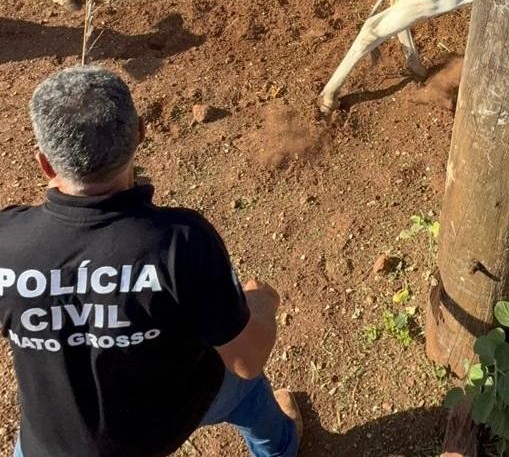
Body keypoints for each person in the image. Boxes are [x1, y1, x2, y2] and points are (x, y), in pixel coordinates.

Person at [0, 66, 302, 457]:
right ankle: (279, 448)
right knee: (247, 392)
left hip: (49, 444)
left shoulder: (6, 240)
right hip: (169, 418)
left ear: (45, 163)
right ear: (140, 134)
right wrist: (262, 303)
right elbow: (246, 360)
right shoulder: (181, 240)